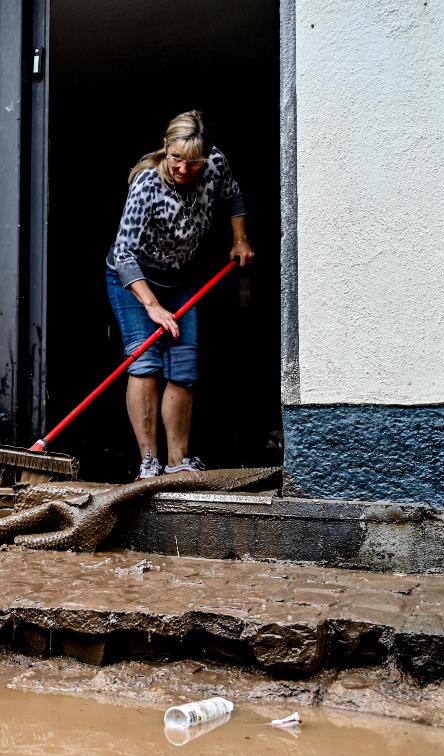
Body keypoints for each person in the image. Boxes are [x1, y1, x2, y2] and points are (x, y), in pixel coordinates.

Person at [105, 110, 254, 480]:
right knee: (145, 363)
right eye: (177, 159)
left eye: (194, 162)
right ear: (165, 146)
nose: (185, 169)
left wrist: (240, 239)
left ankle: (178, 462)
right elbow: (123, 255)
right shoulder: (146, 185)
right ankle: (149, 462)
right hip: (134, 280)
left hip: (182, 281)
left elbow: (234, 196)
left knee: (183, 370)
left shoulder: (216, 164)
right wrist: (153, 307)